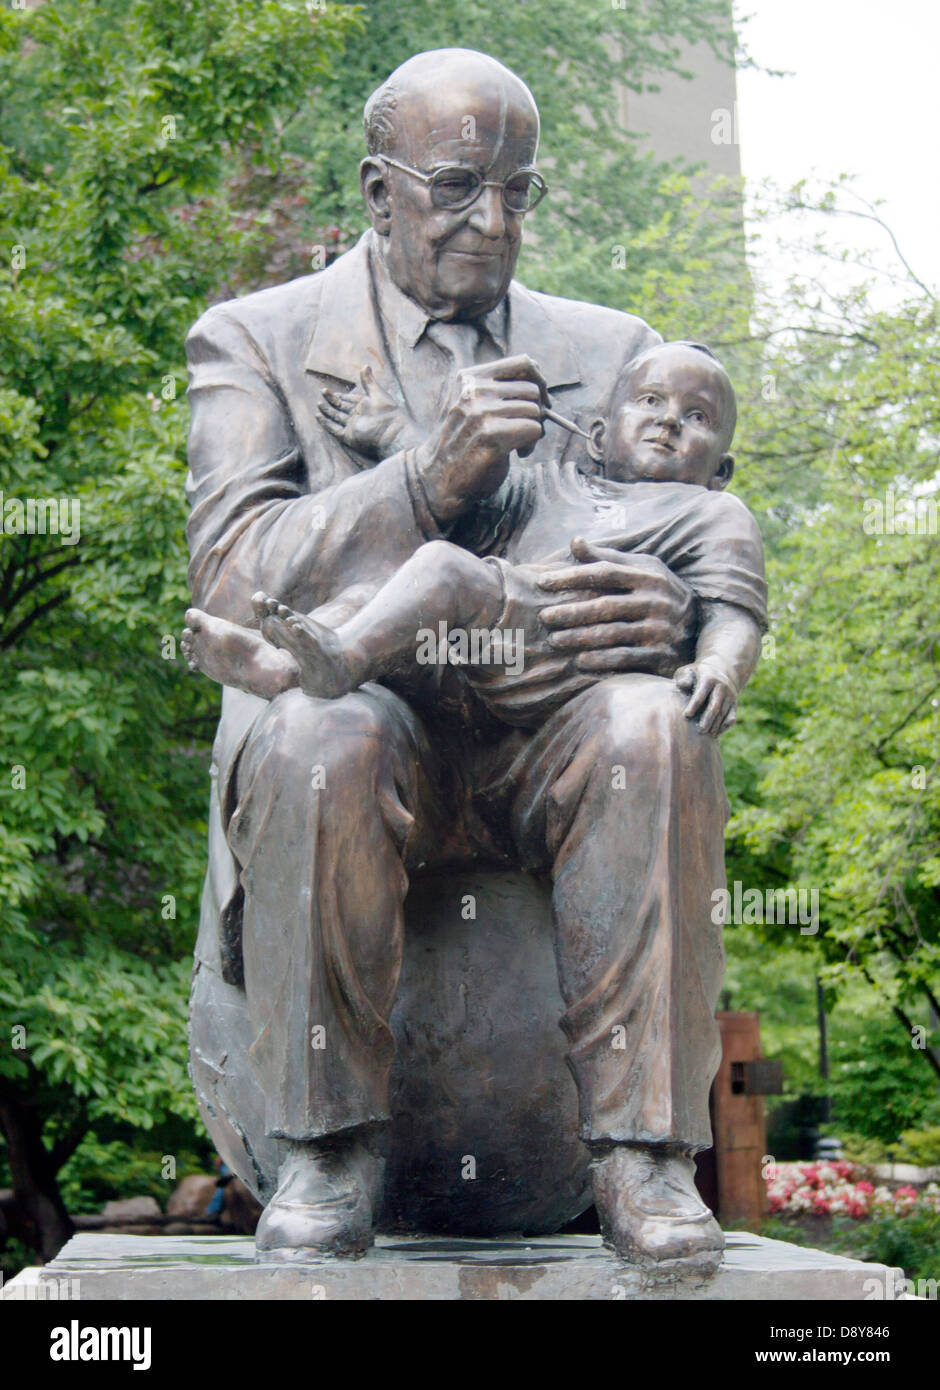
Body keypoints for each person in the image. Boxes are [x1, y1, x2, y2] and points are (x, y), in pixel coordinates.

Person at [184, 47, 735, 1269]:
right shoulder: (257, 338)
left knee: (651, 726)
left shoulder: (615, 349)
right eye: (455, 186)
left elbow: (697, 556)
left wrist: (669, 611)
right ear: (379, 193)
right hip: (372, 716)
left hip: (547, 726)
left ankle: (644, 1155)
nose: (492, 221)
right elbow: (231, 578)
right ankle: (328, 1148)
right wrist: (421, 481)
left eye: (518, 190)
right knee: (321, 732)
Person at [182, 341, 766, 743]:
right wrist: (390, 430)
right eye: (650, 401)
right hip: (482, 657)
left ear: (722, 470)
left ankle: (340, 662)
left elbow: (734, 614)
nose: (668, 421)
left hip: (572, 661)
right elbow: (476, 491)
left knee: (440, 566)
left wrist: (718, 667)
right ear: (595, 435)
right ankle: (285, 666)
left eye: (698, 418)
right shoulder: (551, 485)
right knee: (375, 590)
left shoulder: (714, 513)